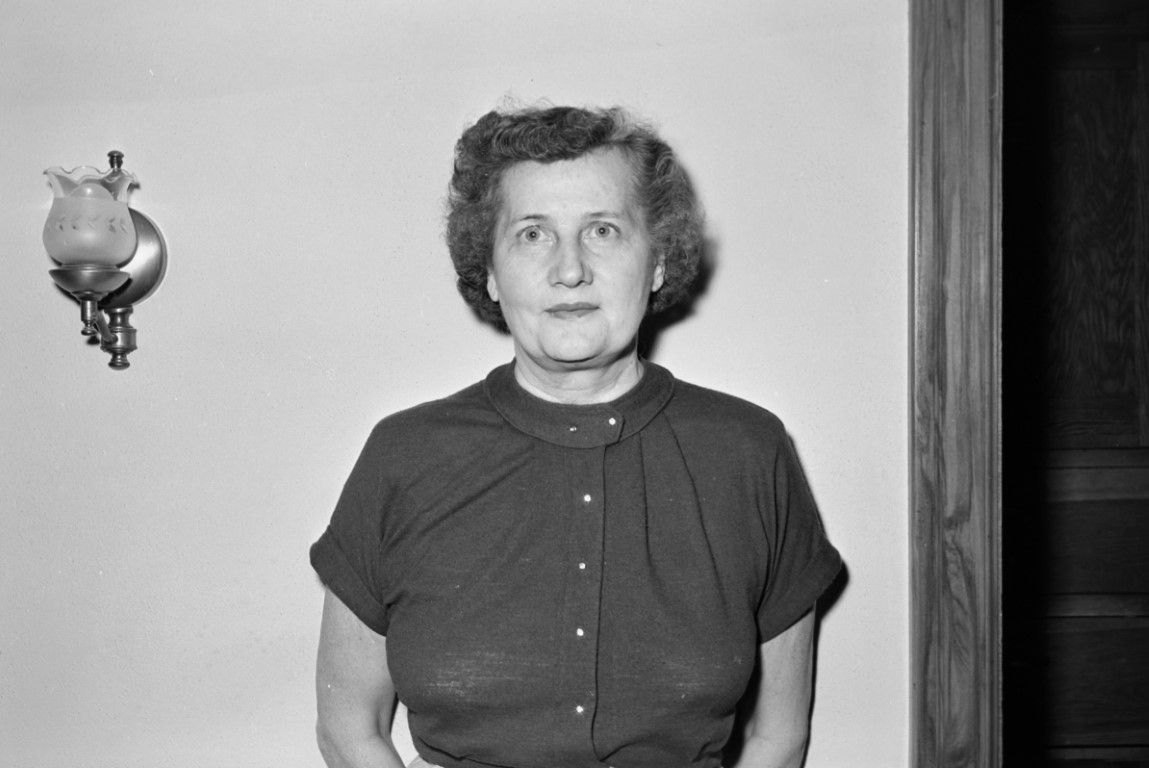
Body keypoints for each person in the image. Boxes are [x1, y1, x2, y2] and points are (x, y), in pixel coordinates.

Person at [310, 105, 842, 768]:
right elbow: (348, 727)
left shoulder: (748, 453)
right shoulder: (405, 456)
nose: (569, 270)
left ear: (657, 261)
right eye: (532, 234)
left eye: (603, 231)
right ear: (490, 272)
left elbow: (777, 737)